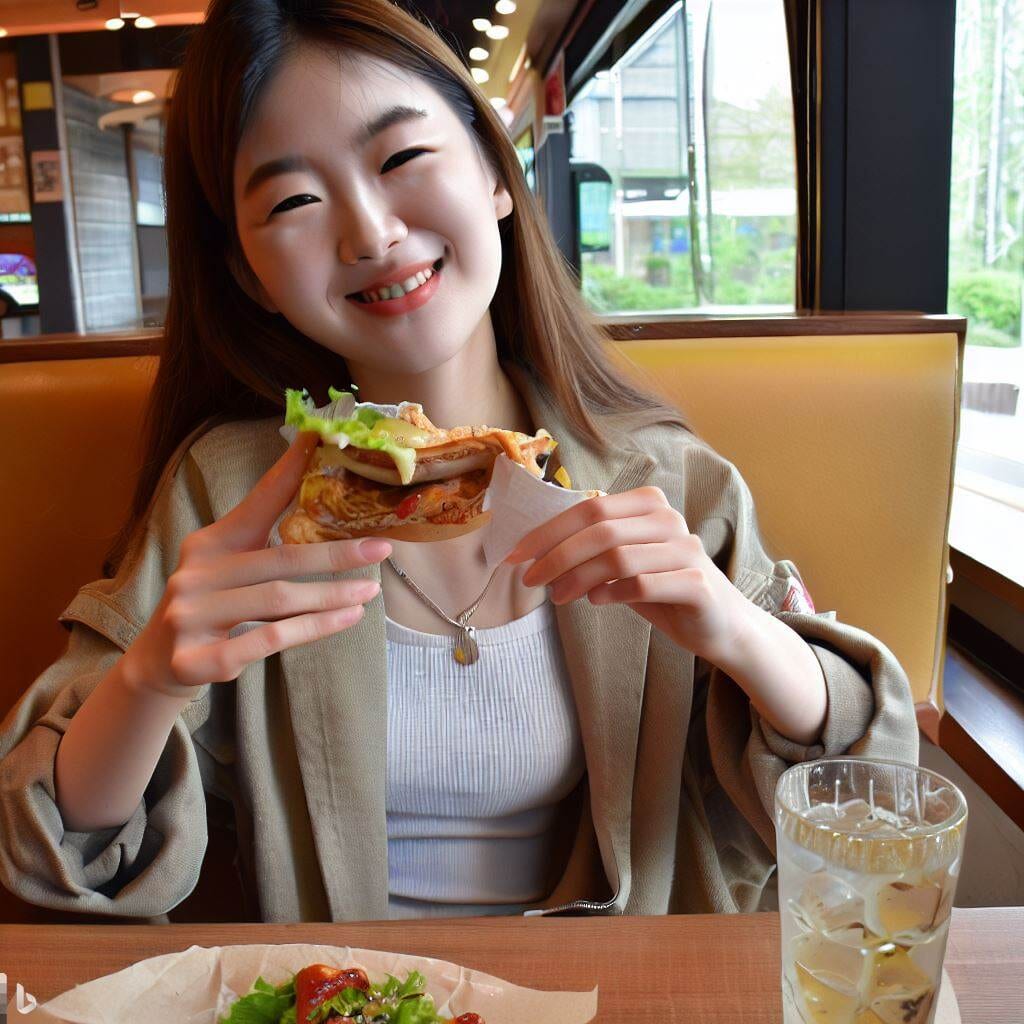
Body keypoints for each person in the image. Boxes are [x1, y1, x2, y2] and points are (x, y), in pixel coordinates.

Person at [0, 0, 916, 924]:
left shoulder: (668, 483)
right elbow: (42, 850)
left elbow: (873, 806)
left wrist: (736, 630)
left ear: (493, 172)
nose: (368, 234)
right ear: (249, 276)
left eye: (401, 159)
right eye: (292, 202)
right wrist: (150, 679)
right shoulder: (229, 494)